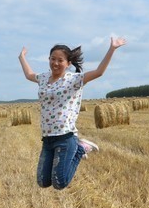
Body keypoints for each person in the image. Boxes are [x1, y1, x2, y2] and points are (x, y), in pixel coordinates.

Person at [18, 36, 127, 189]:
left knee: (60, 183)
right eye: (52, 59)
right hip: (47, 138)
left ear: (68, 63)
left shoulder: (74, 79)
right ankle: (79, 148)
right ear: (49, 59)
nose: (55, 63)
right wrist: (21, 57)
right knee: (43, 182)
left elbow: (99, 72)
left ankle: (80, 148)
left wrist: (112, 49)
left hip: (65, 136)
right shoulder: (43, 78)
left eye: (60, 60)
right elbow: (29, 74)